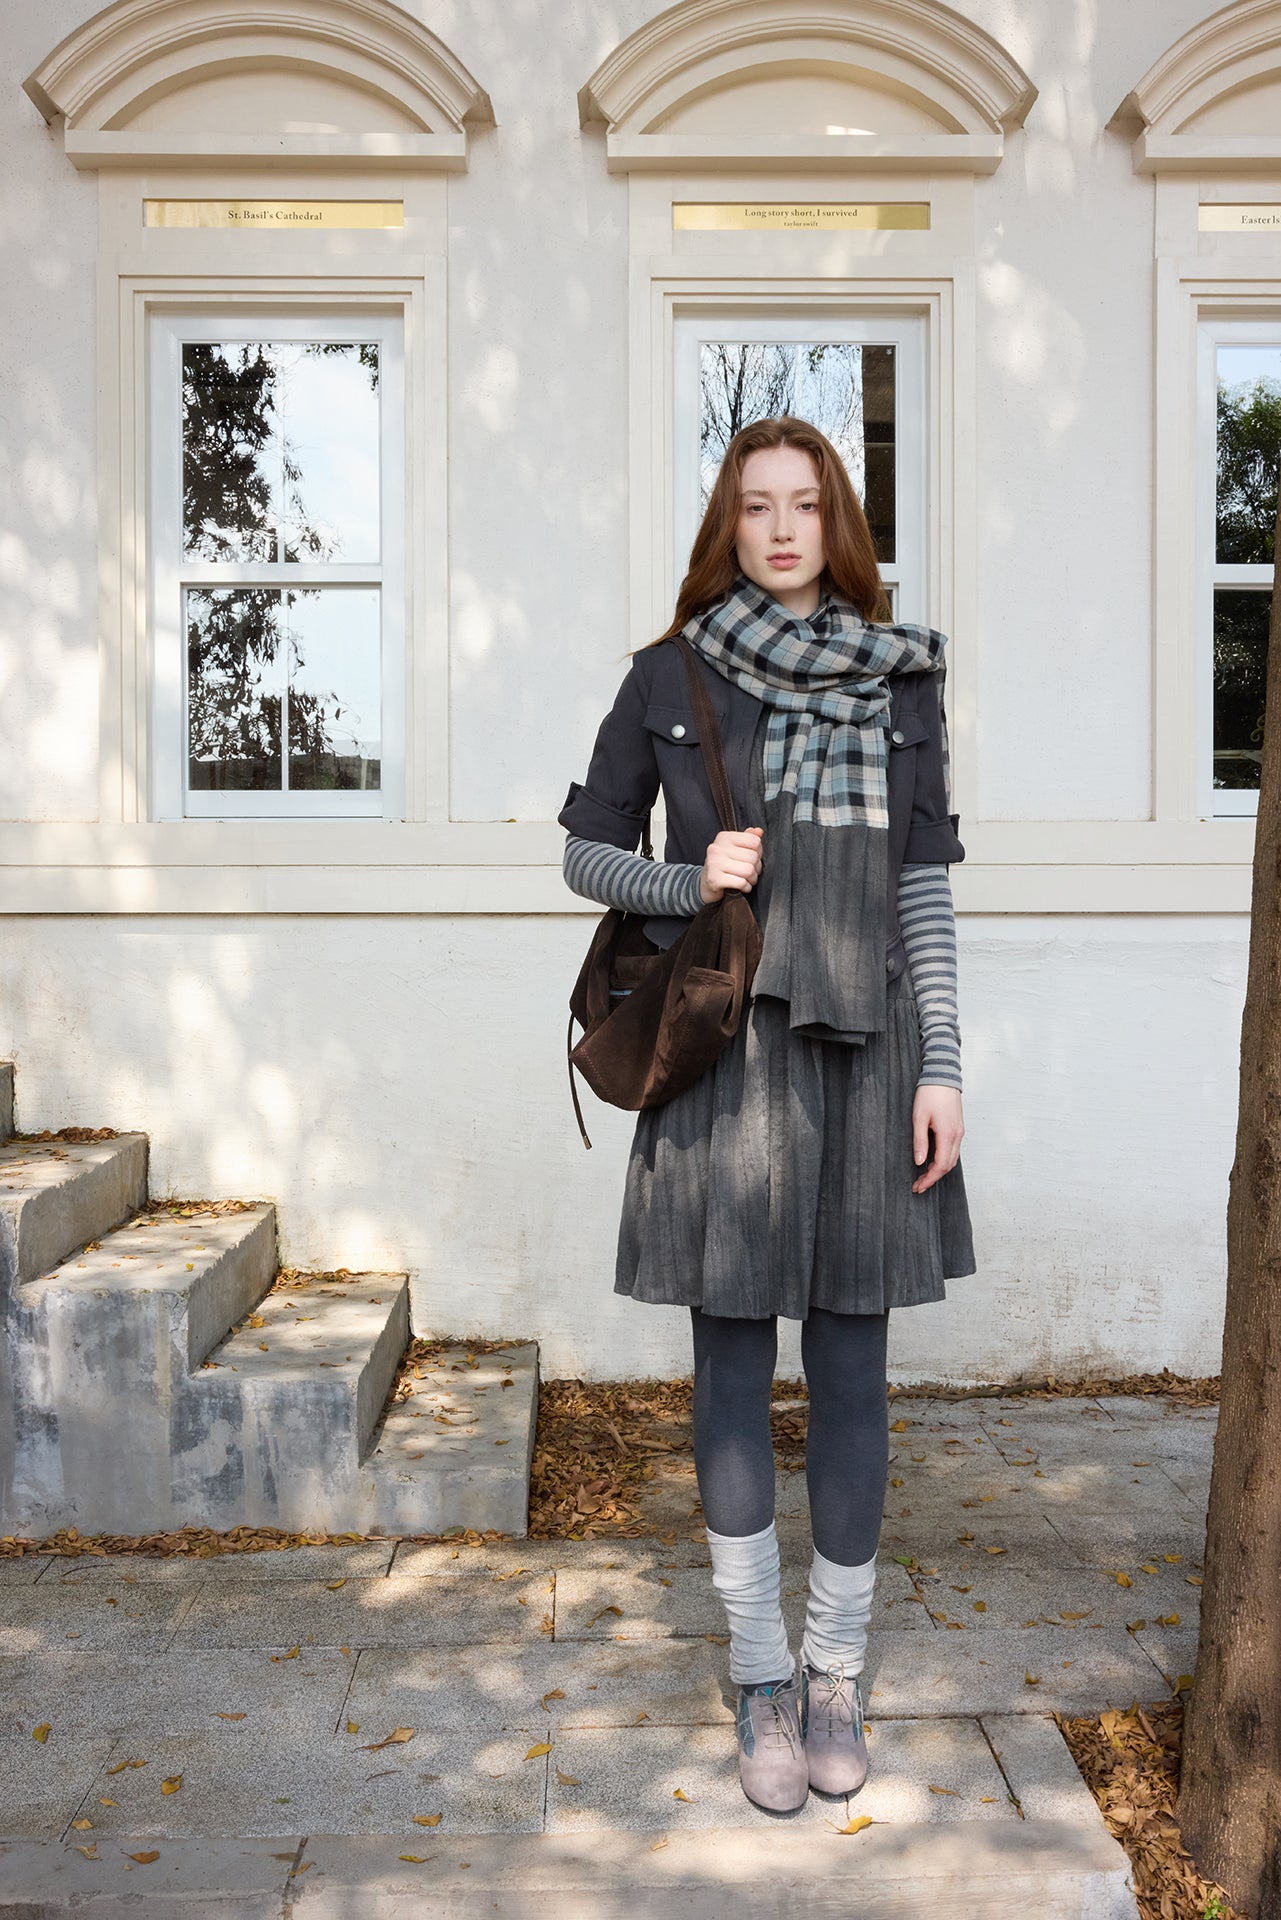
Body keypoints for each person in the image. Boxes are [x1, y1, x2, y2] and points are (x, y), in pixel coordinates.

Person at [558, 414, 976, 1814]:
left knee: (852, 1371)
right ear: (727, 526)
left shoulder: (901, 681)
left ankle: (834, 1671)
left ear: (835, 522)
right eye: (757, 506)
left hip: (869, 1058)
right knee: (732, 1367)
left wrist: (943, 1068)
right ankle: (756, 1674)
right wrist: (689, 881)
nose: (783, 529)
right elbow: (584, 851)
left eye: (805, 504)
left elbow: (922, 890)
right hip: (728, 1060)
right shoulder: (668, 675)